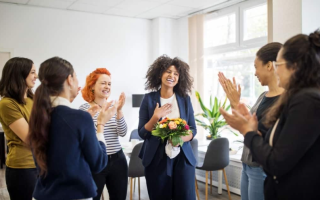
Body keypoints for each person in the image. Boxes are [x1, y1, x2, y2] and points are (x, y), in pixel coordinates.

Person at [220, 30, 320, 200]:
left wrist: (248, 131)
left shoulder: (306, 100)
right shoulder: (297, 98)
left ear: (293, 66)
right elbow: (277, 141)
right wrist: (249, 126)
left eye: (279, 65)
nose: (277, 71)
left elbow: (277, 161)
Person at [28, 57, 117, 200]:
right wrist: (100, 125)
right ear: (69, 80)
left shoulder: (38, 117)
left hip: (42, 195)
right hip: (75, 195)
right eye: (76, 78)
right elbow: (99, 163)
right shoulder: (80, 118)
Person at [218, 42, 284, 200]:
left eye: (256, 67)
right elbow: (250, 123)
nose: (254, 73)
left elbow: (269, 137)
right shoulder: (263, 96)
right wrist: (235, 103)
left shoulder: (285, 100)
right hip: (247, 163)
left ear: (269, 65)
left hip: (261, 168)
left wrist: (237, 107)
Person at [138, 55, 197, 200]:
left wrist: (180, 138)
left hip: (182, 157)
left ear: (179, 78)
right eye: (168, 71)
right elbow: (142, 133)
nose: (172, 76)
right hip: (156, 158)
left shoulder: (185, 99)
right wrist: (155, 117)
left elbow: (193, 130)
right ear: (160, 74)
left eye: (176, 73)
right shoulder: (148, 99)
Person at [79, 68, 128, 200]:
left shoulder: (113, 107)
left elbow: (123, 133)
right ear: (92, 86)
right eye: (103, 83)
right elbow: (83, 138)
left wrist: (119, 111)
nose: (107, 86)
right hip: (96, 161)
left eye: (109, 84)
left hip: (118, 160)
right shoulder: (85, 109)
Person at [0, 57, 37, 200]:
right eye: (33, 72)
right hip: (23, 168)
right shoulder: (7, 103)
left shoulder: (32, 99)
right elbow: (30, 138)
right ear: (19, 73)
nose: (36, 76)